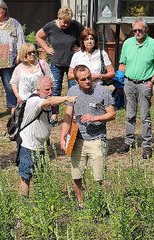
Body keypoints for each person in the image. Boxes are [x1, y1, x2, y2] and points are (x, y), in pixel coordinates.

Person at [60, 65, 115, 209]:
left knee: (99, 176)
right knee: (76, 174)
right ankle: (81, 203)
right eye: (83, 79)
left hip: (97, 138)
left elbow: (112, 114)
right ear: (77, 81)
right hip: (78, 139)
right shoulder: (72, 92)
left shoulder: (102, 91)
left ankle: (101, 205)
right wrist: (63, 135)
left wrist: (95, 118)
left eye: (89, 77)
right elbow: (68, 115)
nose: (88, 81)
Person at [18, 76, 76, 196]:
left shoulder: (43, 99)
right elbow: (49, 101)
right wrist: (67, 98)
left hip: (40, 146)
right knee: (25, 177)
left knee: (41, 176)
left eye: (51, 89)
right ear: (38, 89)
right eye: (47, 89)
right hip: (28, 147)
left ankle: (41, 201)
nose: (50, 92)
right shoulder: (34, 101)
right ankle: (24, 205)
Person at [116, 18, 154, 159]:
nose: (137, 32)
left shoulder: (153, 44)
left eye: (140, 30)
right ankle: (129, 141)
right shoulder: (127, 43)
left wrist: (152, 81)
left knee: (145, 116)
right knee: (129, 114)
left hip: (144, 83)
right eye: (135, 30)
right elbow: (122, 64)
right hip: (129, 82)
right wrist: (120, 82)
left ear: (145, 30)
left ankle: (146, 145)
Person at [35, 7, 84, 123]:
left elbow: (88, 35)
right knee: (55, 89)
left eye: (68, 22)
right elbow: (38, 36)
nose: (66, 24)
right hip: (56, 63)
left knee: (73, 89)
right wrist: (46, 48)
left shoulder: (76, 25)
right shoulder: (51, 26)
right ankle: (54, 114)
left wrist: (81, 47)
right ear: (59, 18)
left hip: (72, 63)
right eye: (64, 22)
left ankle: (72, 114)